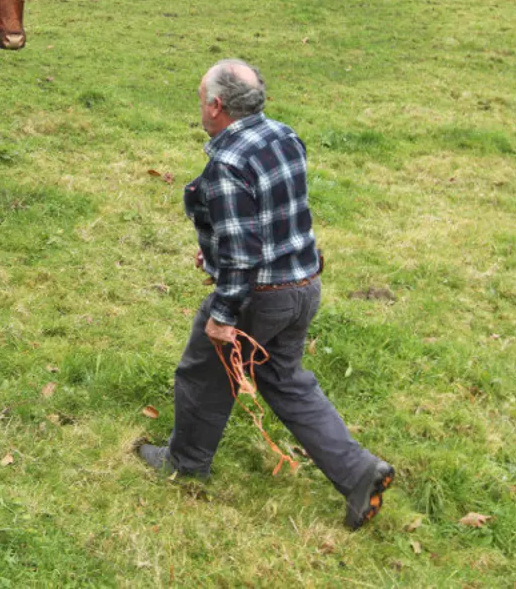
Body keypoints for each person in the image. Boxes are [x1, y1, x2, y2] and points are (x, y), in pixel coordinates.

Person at [135, 59, 394, 530]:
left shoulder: (227, 165)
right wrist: (215, 247)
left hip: (261, 297)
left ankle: (186, 461)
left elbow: (243, 253)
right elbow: (271, 211)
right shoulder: (284, 135)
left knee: (202, 373)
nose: (200, 106)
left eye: (200, 99)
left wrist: (223, 314)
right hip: (303, 286)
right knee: (284, 378)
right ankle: (358, 472)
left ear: (216, 106)